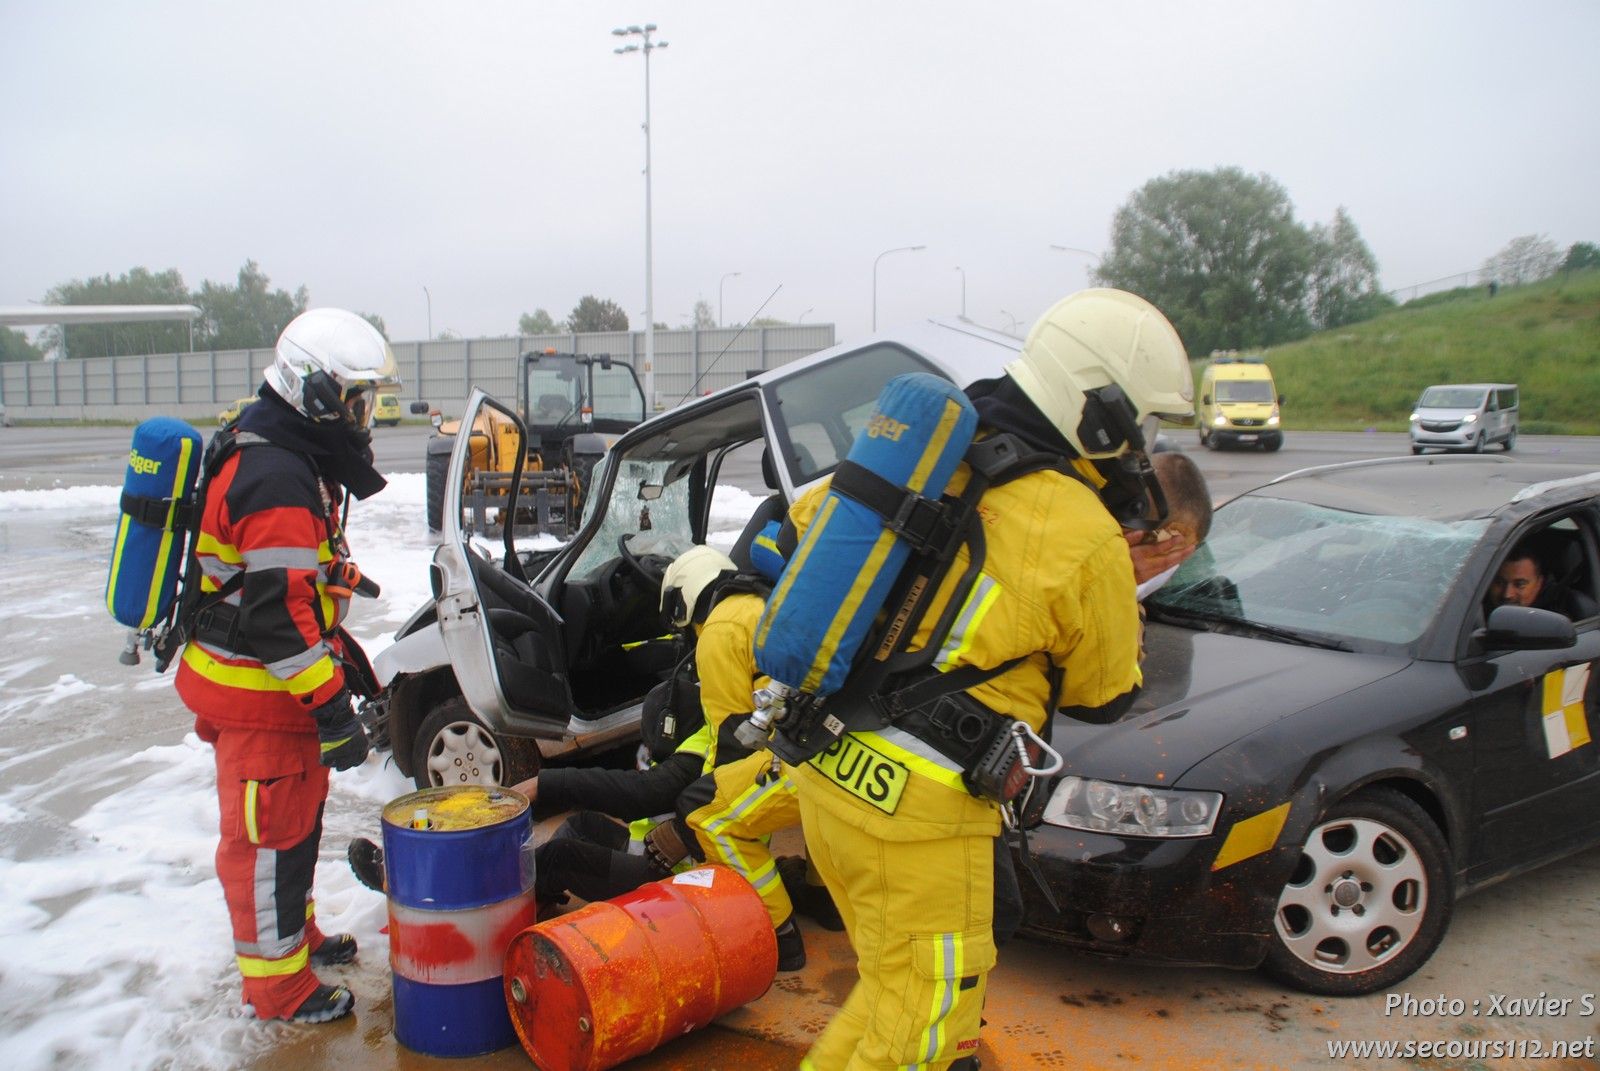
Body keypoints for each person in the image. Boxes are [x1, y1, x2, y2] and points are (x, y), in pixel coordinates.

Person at [785, 288, 1195, 1071]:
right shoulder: (1081, 530)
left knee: (888, 998)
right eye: (1137, 423)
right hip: (926, 824)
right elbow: (1104, 693)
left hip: (832, 779)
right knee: (924, 1041)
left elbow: (808, 524)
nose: (1137, 445)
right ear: (1100, 411)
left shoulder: (928, 452)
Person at [175, 308, 397, 1024]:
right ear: (318, 391)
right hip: (262, 695)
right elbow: (278, 619)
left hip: (276, 693)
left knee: (293, 823)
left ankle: (293, 940)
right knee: (267, 840)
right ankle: (278, 987)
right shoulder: (273, 473)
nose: (366, 413)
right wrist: (332, 707)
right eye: (359, 397)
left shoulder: (285, 447)